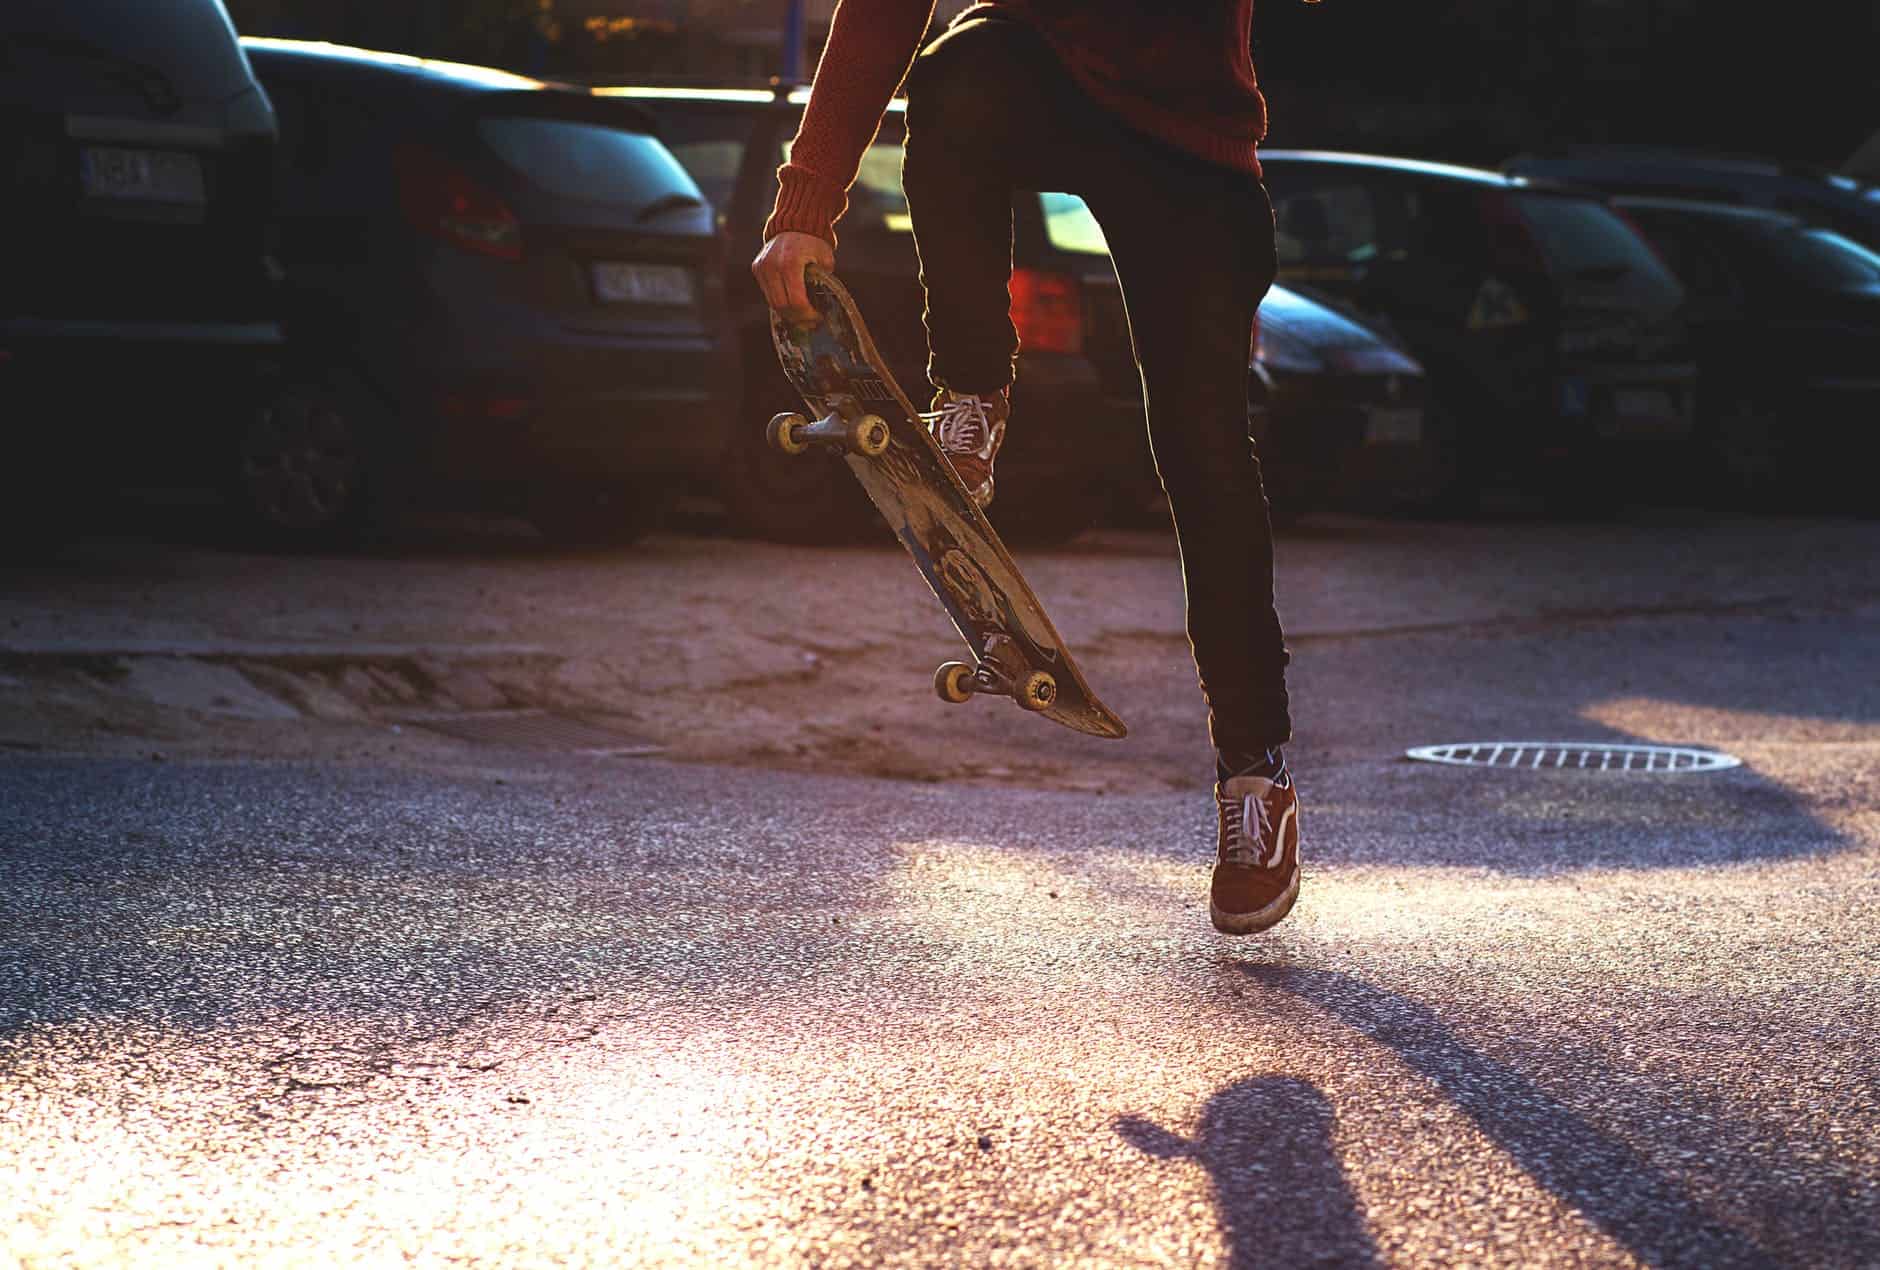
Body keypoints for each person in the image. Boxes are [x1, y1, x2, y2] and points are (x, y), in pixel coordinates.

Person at [751, 0, 1299, 934]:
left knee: (1202, 454)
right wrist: (804, 210)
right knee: (962, 70)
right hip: (1041, 81)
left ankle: (1255, 776)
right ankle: (971, 392)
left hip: (1194, 146)